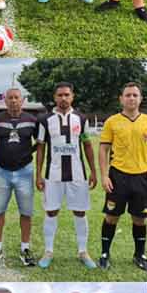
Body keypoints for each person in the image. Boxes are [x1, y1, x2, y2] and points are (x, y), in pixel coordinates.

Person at [97, 82, 147, 270]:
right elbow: (103, 150)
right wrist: (104, 176)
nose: (131, 98)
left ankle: (139, 254)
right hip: (117, 176)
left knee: (140, 219)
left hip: (141, 177)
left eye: (135, 95)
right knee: (111, 217)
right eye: (128, 95)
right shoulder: (112, 121)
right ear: (121, 99)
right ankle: (104, 253)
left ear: (140, 98)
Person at [35, 81, 95, 269]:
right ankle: (49, 251)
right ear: (55, 97)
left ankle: (83, 251)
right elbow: (40, 148)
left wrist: (93, 171)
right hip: (53, 175)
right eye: (60, 95)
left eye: (67, 95)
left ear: (72, 96)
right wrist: (38, 174)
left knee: (80, 211)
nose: (63, 98)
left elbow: (87, 145)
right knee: (51, 211)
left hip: (78, 174)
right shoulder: (45, 120)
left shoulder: (82, 119)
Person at [0, 86, 38, 267]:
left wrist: (26, 153)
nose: (13, 100)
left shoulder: (32, 120)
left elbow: (39, 143)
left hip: (25, 171)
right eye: (10, 98)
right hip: (2, 171)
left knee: (26, 212)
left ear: (22, 100)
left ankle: (25, 248)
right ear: (5, 100)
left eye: (17, 98)